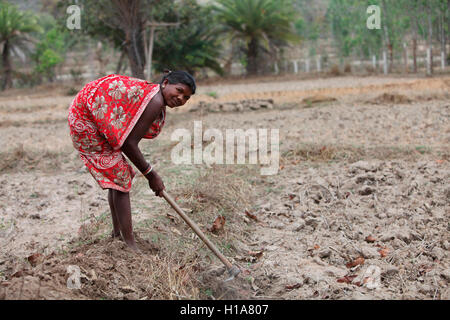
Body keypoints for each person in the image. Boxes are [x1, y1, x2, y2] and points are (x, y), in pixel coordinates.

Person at [68, 70, 196, 251]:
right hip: (86, 120)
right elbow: (129, 144)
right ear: (166, 83)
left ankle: (117, 235)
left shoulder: (154, 97)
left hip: (89, 115)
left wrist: (150, 174)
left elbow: (128, 138)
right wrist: (151, 175)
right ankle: (130, 245)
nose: (181, 98)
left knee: (117, 177)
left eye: (186, 98)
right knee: (120, 176)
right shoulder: (155, 100)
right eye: (180, 90)